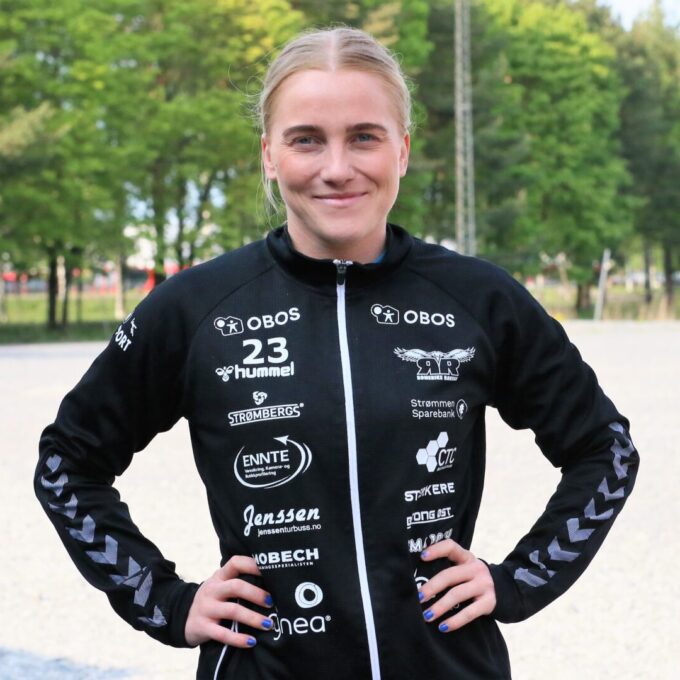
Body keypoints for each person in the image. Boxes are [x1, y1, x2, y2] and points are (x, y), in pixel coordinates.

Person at [35, 26, 638, 680]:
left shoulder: (478, 299)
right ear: (269, 155)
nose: (337, 168)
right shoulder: (194, 307)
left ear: (402, 150)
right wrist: (165, 600)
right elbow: (68, 462)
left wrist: (519, 579)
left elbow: (604, 448)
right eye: (306, 139)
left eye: (364, 137)